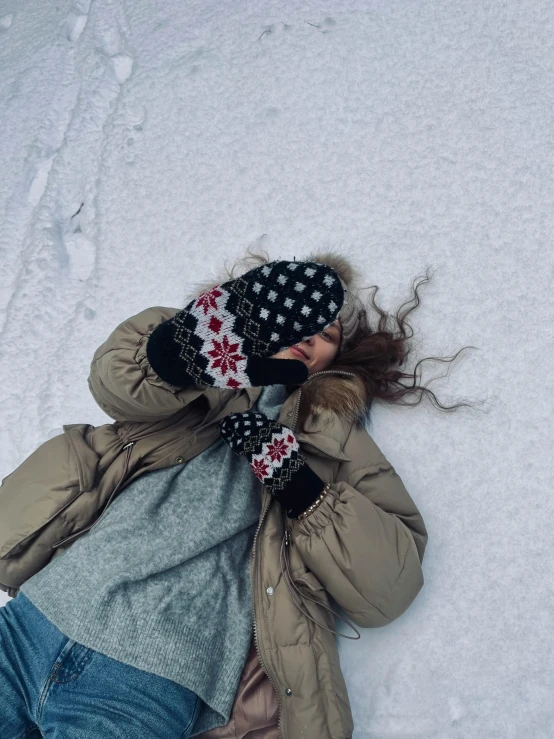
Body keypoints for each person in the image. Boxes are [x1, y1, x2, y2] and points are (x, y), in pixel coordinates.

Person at [1, 247, 466, 739]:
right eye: (295, 322)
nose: (308, 339)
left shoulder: (332, 435)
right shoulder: (193, 380)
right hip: (32, 622)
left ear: (339, 355)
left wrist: (301, 488)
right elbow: (115, 379)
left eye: (326, 333)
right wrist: (171, 360)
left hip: (148, 676)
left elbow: (389, 585)